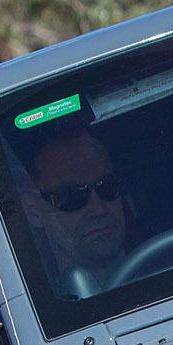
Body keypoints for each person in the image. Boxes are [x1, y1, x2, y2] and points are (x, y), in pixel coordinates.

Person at [27, 122, 138, 290]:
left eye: (107, 186)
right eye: (74, 195)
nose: (98, 209)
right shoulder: (26, 311)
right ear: (34, 211)